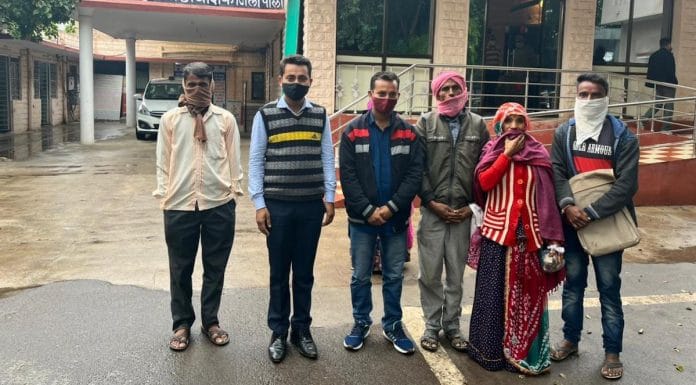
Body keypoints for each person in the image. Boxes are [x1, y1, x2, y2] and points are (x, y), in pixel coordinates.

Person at [550, 73, 639, 380]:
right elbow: (557, 172)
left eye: (595, 94)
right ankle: (570, 340)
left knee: (609, 289)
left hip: (607, 225)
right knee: (573, 286)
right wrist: (567, 206)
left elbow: (627, 185)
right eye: (583, 94)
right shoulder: (565, 132)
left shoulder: (622, 136)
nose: (588, 100)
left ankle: (612, 352)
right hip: (571, 224)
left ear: (605, 98)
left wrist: (589, 211)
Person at [248, 55, 336, 363]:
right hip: (278, 208)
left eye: (302, 79)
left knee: (304, 274)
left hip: (311, 207)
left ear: (311, 81)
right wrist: (259, 204)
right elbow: (256, 160)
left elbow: (327, 158)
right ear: (280, 80)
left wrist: (329, 196)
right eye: (291, 78)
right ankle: (277, 333)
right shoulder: (266, 115)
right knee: (278, 273)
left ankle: (302, 330)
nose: (296, 83)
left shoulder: (321, 115)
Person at [468, 102, 564, 374]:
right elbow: (484, 183)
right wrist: (507, 155)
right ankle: (489, 355)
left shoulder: (538, 154)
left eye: (519, 121)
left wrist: (554, 240)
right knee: (492, 296)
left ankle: (527, 356)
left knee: (529, 297)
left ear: (526, 125)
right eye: (507, 121)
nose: (513, 127)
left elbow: (547, 200)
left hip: (530, 239)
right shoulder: (492, 151)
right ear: (498, 125)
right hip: (497, 236)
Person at [154, 62, 243, 351]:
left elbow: (234, 161)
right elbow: (163, 162)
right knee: (180, 269)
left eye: (203, 84)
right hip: (179, 205)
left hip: (218, 204)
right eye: (191, 84)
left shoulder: (226, 120)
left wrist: (233, 192)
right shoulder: (170, 120)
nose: (197, 89)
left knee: (215, 268)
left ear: (212, 86)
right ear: (183, 86)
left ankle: (210, 322)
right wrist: (165, 197)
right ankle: (181, 324)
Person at [339, 71, 424, 354]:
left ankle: (393, 325)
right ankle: (361, 322)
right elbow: (348, 177)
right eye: (381, 93)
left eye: (391, 94)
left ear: (398, 97)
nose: (386, 99)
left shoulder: (409, 132)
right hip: (361, 221)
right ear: (370, 95)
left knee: (394, 276)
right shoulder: (352, 131)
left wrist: (389, 208)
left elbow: (414, 175)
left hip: (395, 220)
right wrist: (367, 210)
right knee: (360, 275)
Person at [415, 71, 489, 353]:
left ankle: (453, 327)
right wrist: (432, 202)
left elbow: (484, 170)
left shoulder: (479, 125)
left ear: (463, 90)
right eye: (442, 90)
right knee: (430, 275)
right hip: (433, 213)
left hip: (462, 215)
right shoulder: (426, 123)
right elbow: (417, 168)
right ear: (436, 93)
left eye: (453, 88)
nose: (448, 94)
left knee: (456, 276)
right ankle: (432, 327)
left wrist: (471, 209)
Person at [643, 37, 678, 130]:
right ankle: (666, 128)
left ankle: (644, 119)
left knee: (658, 104)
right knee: (668, 106)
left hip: (658, 84)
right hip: (668, 85)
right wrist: (675, 83)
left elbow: (650, 71)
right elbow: (671, 71)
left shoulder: (654, 55)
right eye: (671, 44)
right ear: (668, 44)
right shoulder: (669, 56)